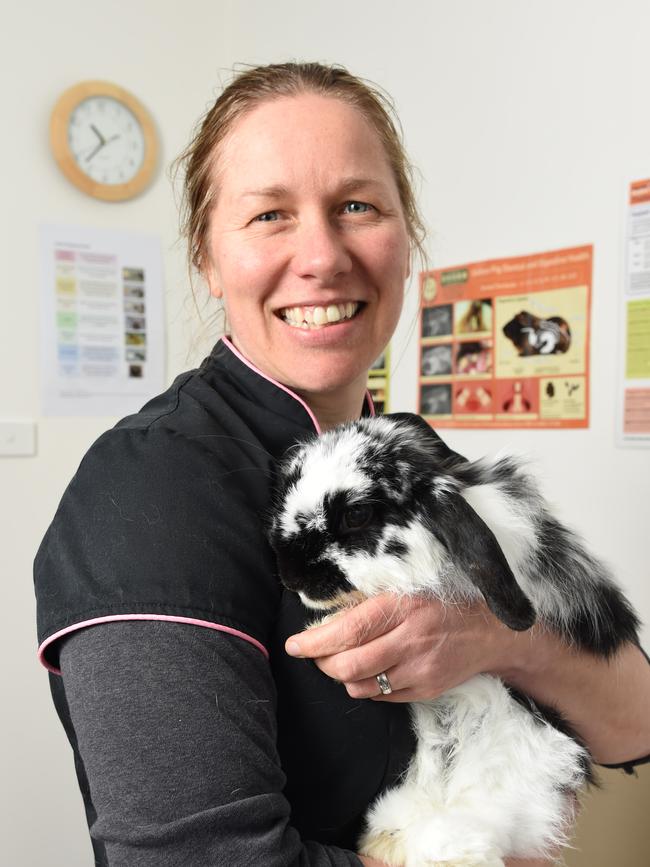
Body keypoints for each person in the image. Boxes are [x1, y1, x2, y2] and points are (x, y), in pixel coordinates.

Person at [34, 62, 650, 867]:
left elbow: (634, 720)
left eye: (357, 205)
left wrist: (502, 639)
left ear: (406, 236)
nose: (322, 256)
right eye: (269, 215)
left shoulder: (411, 453)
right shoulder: (148, 492)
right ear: (208, 258)